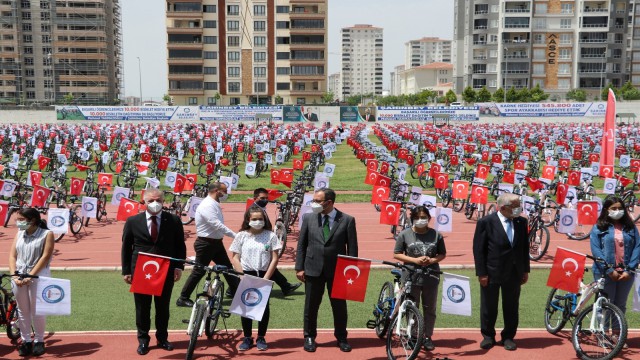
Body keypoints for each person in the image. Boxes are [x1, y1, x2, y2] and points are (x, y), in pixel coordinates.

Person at [121, 188, 186, 355]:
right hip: (141, 271)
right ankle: (143, 340)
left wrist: (179, 267)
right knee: (142, 308)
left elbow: (180, 245)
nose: (155, 203)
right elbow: (126, 248)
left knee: (163, 307)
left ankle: (162, 338)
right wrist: (126, 271)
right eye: (150, 201)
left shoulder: (173, 220)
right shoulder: (133, 221)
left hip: (166, 270)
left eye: (158, 200)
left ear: (163, 201)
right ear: (144, 202)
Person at [295, 188, 358, 353]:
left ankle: (342, 337)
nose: (314, 203)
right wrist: (299, 267)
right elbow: (301, 245)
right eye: (314, 200)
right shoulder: (308, 218)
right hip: (312, 269)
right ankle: (309, 337)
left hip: (338, 271)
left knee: (339, 306)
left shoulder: (347, 220)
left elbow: (352, 248)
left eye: (317, 201)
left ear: (329, 202)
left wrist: (352, 271)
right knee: (311, 306)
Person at [472, 193, 529, 351]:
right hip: (492, 271)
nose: (519, 209)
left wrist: (525, 270)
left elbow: (524, 247)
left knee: (511, 306)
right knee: (489, 306)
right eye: (516, 206)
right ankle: (488, 336)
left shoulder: (521, 222)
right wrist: (481, 273)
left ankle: (508, 336)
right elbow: (479, 249)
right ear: (503, 208)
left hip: (514, 272)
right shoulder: (486, 222)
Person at [177, 182, 240, 307]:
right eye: (224, 191)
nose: (226, 193)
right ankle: (183, 298)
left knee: (227, 268)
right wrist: (235, 235)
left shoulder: (213, 203)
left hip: (215, 243)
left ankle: (236, 291)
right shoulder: (207, 205)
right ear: (217, 191)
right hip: (206, 244)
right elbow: (216, 224)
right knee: (199, 271)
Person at [393, 206, 446, 351]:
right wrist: (414, 260)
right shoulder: (405, 234)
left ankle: (427, 336)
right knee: (411, 307)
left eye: (424, 217)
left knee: (430, 308)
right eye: (417, 217)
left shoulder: (436, 235)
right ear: (412, 219)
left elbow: (442, 254)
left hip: (431, 276)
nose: (421, 220)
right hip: (411, 276)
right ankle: (414, 336)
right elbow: (397, 254)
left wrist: (432, 260)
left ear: (429, 218)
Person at [590, 196, 640, 347]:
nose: (618, 211)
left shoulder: (631, 227)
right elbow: (596, 250)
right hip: (605, 272)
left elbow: (638, 247)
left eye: (620, 208)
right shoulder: (599, 227)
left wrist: (630, 269)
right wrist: (609, 269)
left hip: (626, 272)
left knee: (619, 304)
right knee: (604, 303)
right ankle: (602, 334)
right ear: (606, 210)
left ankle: (617, 335)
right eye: (614, 208)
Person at [230, 206, 281, 351]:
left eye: (260, 219)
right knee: (245, 306)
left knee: (263, 307)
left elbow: (274, 259)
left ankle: (261, 337)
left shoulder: (271, 236)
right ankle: (247, 337)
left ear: (265, 220)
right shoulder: (241, 235)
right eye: (254, 219)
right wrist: (242, 276)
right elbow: (235, 257)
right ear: (248, 220)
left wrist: (265, 278)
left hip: (264, 274)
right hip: (245, 274)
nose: (258, 221)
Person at [8, 208, 55, 357]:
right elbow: (12, 256)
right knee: (22, 310)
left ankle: (40, 340)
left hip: (38, 276)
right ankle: (26, 340)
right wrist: (14, 275)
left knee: (38, 310)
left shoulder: (47, 234)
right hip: (19, 277)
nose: (18, 223)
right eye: (17, 219)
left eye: (21, 219)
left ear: (32, 220)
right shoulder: (19, 234)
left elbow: (45, 257)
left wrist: (31, 275)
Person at [252, 187, 302, 296]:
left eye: (266, 198)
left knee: (268, 265)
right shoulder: (254, 211)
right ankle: (284, 286)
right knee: (266, 265)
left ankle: (285, 286)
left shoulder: (260, 208)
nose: (265, 200)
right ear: (255, 198)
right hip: (260, 243)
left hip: (264, 241)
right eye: (262, 198)